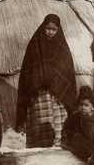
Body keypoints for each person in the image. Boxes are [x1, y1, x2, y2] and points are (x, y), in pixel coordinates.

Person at [16, 14, 76, 148]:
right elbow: (29, 68)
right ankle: (39, 148)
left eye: (54, 29)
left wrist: (55, 81)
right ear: (43, 27)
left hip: (58, 94)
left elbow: (66, 71)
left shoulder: (62, 47)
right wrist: (39, 80)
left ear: (58, 30)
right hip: (39, 93)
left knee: (59, 122)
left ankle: (59, 146)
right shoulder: (35, 44)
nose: (50, 32)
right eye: (48, 28)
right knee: (41, 121)